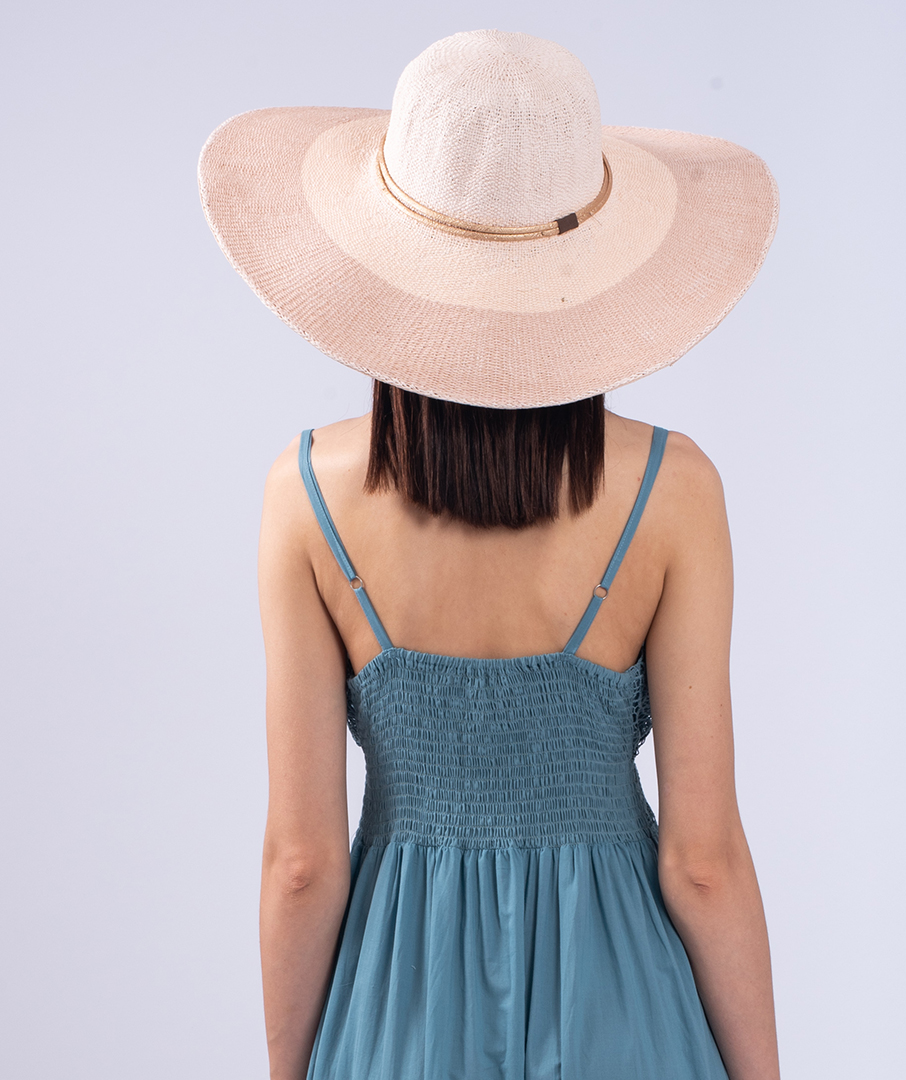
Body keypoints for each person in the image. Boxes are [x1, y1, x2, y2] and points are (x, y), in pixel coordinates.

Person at [200, 29, 780, 1080]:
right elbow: (703, 862)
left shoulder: (306, 495)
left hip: (398, 1013)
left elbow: (301, 864)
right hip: (624, 1016)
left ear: (388, 260)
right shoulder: (674, 491)